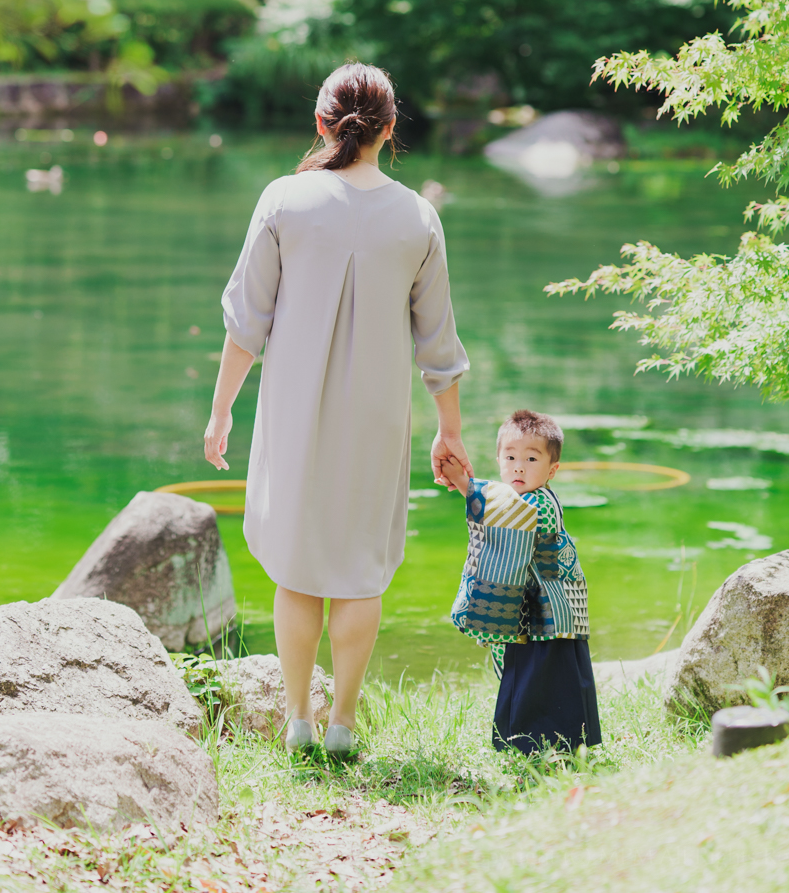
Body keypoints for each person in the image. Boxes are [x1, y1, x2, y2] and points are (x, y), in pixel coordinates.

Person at [203, 62, 471, 756]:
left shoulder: (284, 200)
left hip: (293, 412)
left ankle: (298, 720)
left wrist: (221, 412)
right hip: (378, 417)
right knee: (358, 568)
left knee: (298, 567)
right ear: (390, 128)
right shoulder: (418, 217)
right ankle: (344, 723)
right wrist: (450, 429)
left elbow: (246, 324)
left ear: (323, 123)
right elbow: (437, 343)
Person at [441, 409, 601, 757]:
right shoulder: (526, 498)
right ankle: (539, 743)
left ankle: (540, 744)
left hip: (549, 612)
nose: (518, 466)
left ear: (551, 470)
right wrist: (464, 486)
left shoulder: (538, 503)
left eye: (531, 458)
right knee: (534, 675)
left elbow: (507, 513)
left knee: (543, 678)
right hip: (539, 608)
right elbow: (501, 507)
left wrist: (464, 484)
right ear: (498, 460)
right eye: (510, 457)